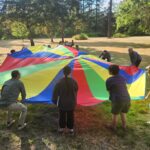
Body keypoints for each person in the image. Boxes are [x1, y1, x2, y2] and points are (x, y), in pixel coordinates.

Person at [52, 66, 78, 134]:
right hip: (71, 102)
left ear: (63, 72)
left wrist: (54, 101)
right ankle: (71, 129)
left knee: (62, 115)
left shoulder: (59, 82)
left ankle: (61, 128)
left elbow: (55, 92)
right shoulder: (74, 81)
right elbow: (76, 90)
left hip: (62, 102)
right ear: (70, 72)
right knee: (71, 115)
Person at [106, 65, 131, 131]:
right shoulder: (122, 78)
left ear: (110, 71)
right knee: (123, 113)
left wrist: (112, 99)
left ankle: (113, 127)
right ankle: (124, 126)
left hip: (118, 100)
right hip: (127, 98)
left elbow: (109, 91)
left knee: (115, 114)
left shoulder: (109, 80)